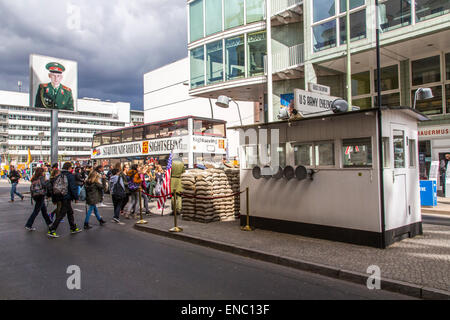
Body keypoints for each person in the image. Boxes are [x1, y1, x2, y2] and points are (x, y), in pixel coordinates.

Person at [47, 162, 82, 238]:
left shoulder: (59, 175)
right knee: (62, 214)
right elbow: (73, 188)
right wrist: (76, 198)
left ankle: (73, 227)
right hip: (67, 197)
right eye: (71, 168)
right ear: (69, 168)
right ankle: (52, 229)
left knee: (70, 212)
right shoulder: (70, 176)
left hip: (61, 196)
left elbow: (54, 187)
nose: (72, 169)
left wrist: (54, 199)